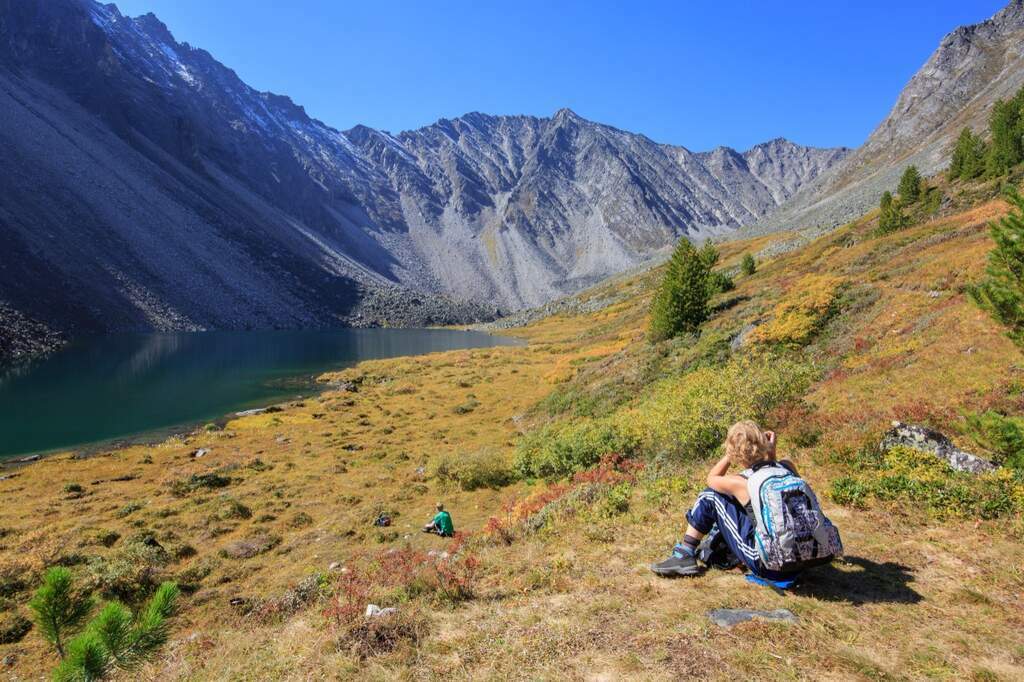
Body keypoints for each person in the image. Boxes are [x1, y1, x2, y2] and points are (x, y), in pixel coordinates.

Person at [650, 420, 801, 583]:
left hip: (770, 564)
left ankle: (685, 553)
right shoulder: (787, 467)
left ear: (736, 450)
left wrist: (730, 454)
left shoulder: (742, 482)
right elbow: (773, 476)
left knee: (709, 496)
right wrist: (771, 452)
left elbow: (711, 479)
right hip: (800, 556)